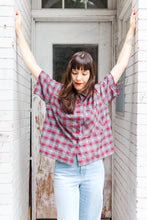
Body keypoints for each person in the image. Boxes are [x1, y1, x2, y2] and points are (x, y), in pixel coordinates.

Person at [15, 8, 136, 220]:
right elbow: (32, 66)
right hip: (65, 171)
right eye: (75, 71)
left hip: (93, 170)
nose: (79, 77)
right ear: (70, 73)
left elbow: (120, 65)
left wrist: (132, 30)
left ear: (91, 74)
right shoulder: (57, 93)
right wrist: (18, 31)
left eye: (84, 72)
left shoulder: (99, 93)